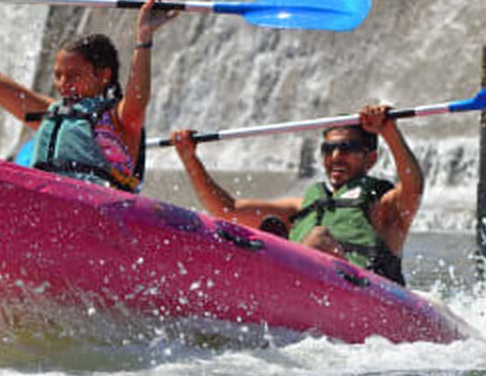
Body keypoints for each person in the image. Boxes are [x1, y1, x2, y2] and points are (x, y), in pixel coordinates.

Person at [0, 0, 178, 192]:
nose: (63, 84)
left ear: (103, 75)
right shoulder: (50, 112)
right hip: (44, 208)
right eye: (58, 75)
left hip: (98, 215)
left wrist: (143, 39)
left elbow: (139, 95)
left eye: (73, 75)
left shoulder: (122, 121)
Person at [170, 105, 424, 285]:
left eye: (346, 148)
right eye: (329, 149)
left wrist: (388, 130)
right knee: (253, 235)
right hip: (306, 285)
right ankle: (272, 259)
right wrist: (189, 158)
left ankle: (276, 267)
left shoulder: (384, 207)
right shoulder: (301, 206)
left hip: (371, 297)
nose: (335, 156)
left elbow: (414, 187)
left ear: (370, 158)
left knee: (318, 238)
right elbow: (227, 209)